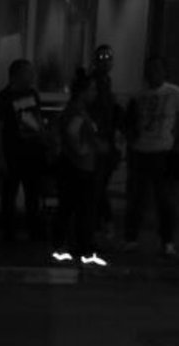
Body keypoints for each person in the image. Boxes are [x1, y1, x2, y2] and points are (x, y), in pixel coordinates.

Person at [52, 69, 108, 267]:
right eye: (92, 89)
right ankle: (78, 245)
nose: (95, 93)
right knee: (79, 207)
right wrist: (84, 149)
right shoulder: (77, 111)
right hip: (78, 166)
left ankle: (72, 244)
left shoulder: (76, 110)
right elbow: (72, 132)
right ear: (83, 92)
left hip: (78, 165)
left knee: (72, 206)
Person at [124, 56, 179, 257]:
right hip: (141, 150)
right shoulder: (138, 96)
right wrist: (131, 141)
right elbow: (130, 122)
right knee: (137, 197)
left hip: (163, 150)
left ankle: (167, 241)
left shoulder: (173, 93)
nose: (153, 73)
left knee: (164, 199)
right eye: (150, 70)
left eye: (157, 69)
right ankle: (131, 238)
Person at [0, 59, 47, 241]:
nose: (32, 77)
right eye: (28, 73)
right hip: (12, 153)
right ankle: (9, 231)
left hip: (32, 152)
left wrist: (43, 140)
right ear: (17, 75)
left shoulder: (31, 94)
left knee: (32, 193)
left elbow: (37, 120)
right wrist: (0, 157)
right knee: (10, 193)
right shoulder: (3, 99)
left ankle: (33, 229)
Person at [89, 44, 123, 237]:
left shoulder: (106, 82)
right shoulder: (95, 82)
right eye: (101, 58)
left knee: (99, 186)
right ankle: (100, 224)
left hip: (105, 140)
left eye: (108, 58)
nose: (105, 61)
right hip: (97, 141)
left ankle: (100, 224)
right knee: (97, 186)